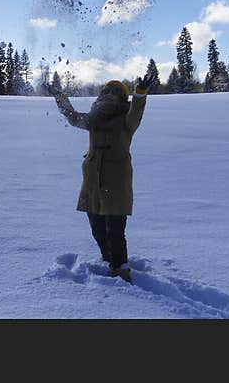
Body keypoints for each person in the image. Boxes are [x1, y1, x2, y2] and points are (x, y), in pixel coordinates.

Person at [48, 73, 155, 283]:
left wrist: (140, 93)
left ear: (122, 97)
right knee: (96, 226)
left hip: (116, 181)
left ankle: (121, 270)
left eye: (115, 91)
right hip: (92, 180)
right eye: (107, 91)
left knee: (115, 229)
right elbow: (71, 116)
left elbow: (137, 112)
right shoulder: (94, 118)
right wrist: (60, 97)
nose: (110, 95)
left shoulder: (126, 118)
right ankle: (109, 259)